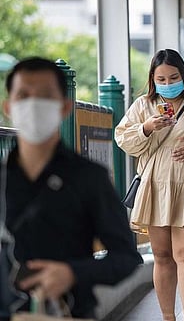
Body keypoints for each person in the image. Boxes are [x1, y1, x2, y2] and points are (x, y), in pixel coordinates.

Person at [0, 57, 142, 320]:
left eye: (44, 96)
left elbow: (127, 258)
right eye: (23, 95)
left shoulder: (90, 177)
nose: (33, 104)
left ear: (64, 107)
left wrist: (73, 273)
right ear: (8, 106)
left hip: (71, 312)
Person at [115, 49, 184, 321]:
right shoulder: (143, 105)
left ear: (183, 76)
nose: (168, 83)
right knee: (162, 255)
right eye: (161, 79)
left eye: (173, 77)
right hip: (154, 186)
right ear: (153, 79)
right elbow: (123, 139)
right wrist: (147, 127)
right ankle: (168, 316)